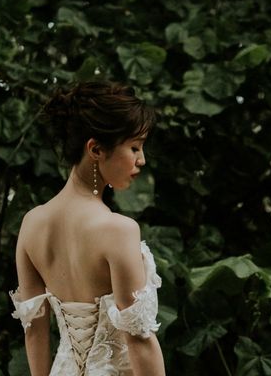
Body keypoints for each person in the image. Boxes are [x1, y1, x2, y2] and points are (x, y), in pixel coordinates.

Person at [9, 81, 166, 375]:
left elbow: (34, 330)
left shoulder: (32, 224)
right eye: (134, 147)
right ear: (95, 149)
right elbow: (139, 341)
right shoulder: (118, 230)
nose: (142, 160)